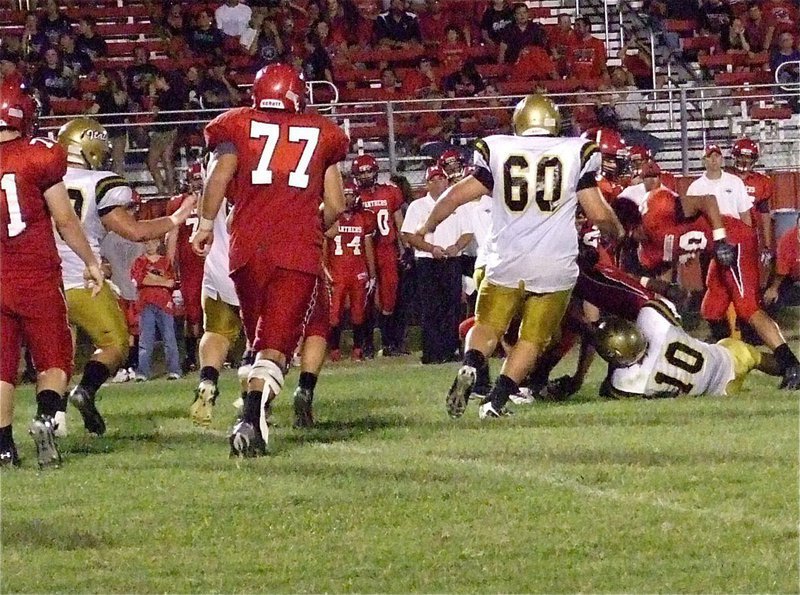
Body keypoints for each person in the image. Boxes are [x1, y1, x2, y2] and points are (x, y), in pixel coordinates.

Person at [415, 94, 624, 419]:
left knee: (487, 326)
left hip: (505, 259)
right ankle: (495, 402)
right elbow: (597, 212)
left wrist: (429, 224)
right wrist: (617, 231)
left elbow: (455, 196)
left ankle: (471, 364)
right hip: (554, 264)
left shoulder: (498, 150)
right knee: (533, 339)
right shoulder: (574, 152)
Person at [191, 63, 348, 457]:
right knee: (275, 348)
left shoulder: (236, 124)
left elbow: (219, 175)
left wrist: (205, 224)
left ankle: (250, 410)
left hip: (245, 249)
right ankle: (250, 416)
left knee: (258, 342)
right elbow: (336, 204)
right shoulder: (323, 132)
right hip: (295, 249)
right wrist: (316, 224)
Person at [55, 117, 194, 436]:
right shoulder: (98, 183)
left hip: (45, 279)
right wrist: (175, 218)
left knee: (58, 351)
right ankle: (86, 391)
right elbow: (133, 230)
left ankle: (54, 417)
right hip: (83, 279)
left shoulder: (44, 180)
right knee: (115, 344)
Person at [0, 84, 105, 467]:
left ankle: (3, 446)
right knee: (54, 361)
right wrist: (91, 262)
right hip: (36, 275)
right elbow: (64, 219)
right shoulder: (37, 155)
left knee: (2, 368)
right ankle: (45, 419)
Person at [638, 172, 800, 389]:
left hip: (734, 240)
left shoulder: (658, 208)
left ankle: (791, 365)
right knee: (711, 310)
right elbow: (664, 276)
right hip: (718, 252)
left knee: (747, 308)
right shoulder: (647, 251)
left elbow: (708, 200)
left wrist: (720, 238)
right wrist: (669, 295)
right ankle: (732, 363)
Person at [596, 305, 781, 399]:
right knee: (755, 357)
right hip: (727, 360)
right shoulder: (652, 320)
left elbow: (609, 390)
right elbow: (668, 310)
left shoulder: (628, 382)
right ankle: (791, 371)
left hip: (719, 394)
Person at [401, 165, 474, 364]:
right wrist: (430, 248)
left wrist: (456, 246)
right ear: (427, 184)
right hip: (427, 261)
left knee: (452, 306)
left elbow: (468, 231)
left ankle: (450, 349)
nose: (440, 182)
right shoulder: (418, 206)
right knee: (430, 306)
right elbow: (408, 234)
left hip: (452, 259)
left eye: (442, 178)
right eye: (435, 179)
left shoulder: (458, 204)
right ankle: (432, 351)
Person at [189, 194, 243, 428]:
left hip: (219, 262)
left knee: (215, 331)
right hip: (253, 259)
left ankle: (207, 381)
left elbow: (206, 203)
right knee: (263, 338)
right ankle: (253, 401)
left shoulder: (215, 160)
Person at [352, 154, 406, 356]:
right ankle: (366, 343)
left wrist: (404, 248)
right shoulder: (353, 195)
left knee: (389, 297)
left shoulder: (390, 192)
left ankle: (389, 342)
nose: (365, 176)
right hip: (360, 252)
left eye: (368, 171)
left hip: (386, 249)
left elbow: (399, 222)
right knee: (364, 297)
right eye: (361, 172)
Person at [326, 181, 377, 361]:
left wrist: (372, 274)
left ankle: (357, 349)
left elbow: (368, 247)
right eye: (344, 195)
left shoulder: (364, 218)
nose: (347, 199)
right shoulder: (331, 218)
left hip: (357, 270)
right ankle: (334, 350)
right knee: (334, 314)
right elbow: (324, 244)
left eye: (350, 195)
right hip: (337, 269)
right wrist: (324, 269)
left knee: (358, 312)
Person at [167, 163, 205, 373]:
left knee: (217, 307)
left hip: (210, 262)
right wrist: (170, 265)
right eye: (195, 179)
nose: (198, 184)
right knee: (192, 313)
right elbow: (172, 234)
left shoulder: (217, 198)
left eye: (200, 179)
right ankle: (192, 355)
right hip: (189, 267)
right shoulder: (179, 203)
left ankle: (221, 354)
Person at [131, 239, 182, 381]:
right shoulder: (139, 261)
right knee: (145, 340)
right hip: (145, 303)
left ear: (158, 244)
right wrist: (162, 281)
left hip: (165, 304)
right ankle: (142, 373)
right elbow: (140, 280)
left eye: (152, 243)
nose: (149, 245)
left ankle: (174, 370)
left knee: (169, 338)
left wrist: (152, 278)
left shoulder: (165, 262)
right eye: (147, 243)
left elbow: (172, 282)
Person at [687, 144, 753, 224]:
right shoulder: (695, 187)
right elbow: (690, 219)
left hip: (733, 229)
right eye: (709, 156)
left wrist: (747, 234)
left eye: (717, 156)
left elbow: (745, 213)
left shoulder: (735, 182)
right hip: (708, 230)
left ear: (721, 159)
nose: (714, 160)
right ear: (703, 161)